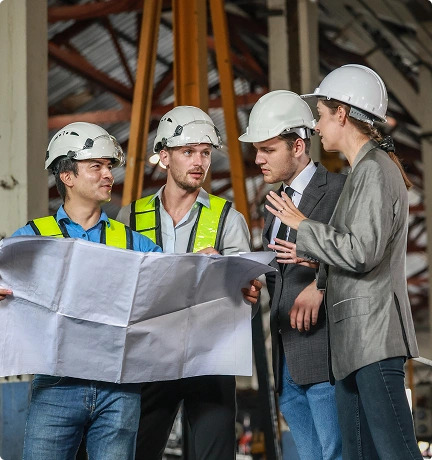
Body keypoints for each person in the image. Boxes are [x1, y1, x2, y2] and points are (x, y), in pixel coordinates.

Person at [267, 65, 422, 459]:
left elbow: (362, 251)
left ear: (342, 113)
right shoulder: (361, 173)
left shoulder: (373, 170)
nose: (316, 126)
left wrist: (303, 226)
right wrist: (314, 258)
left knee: (395, 450)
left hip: (374, 336)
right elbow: (354, 248)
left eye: (320, 115)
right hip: (353, 342)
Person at [0, 122, 162, 460]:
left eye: (109, 166)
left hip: (119, 388)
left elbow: (176, 289)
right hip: (56, 384)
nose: (108, 175)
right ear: (67, 176)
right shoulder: (30, 239)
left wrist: (209, 268)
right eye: (96, 166)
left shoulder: (135, 243)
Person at [116, 105, 261, 460]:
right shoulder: (130, 217)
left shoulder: (228, 218)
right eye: (187, 152)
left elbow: (252, 297)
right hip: (148, 359)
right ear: (164, 157)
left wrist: (242, 287)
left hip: (209, 359)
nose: (199, 161)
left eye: (205, 153)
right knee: (132, 452)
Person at [239, 90, 344, 460]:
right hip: (286, 358)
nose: (258, 159)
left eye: (268, 150)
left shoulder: (340, 192)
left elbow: (364, 257)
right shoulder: (274, 206)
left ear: (298, 146)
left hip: (326, 352)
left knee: (336, 454)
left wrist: (321, 284)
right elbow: (279, 276)